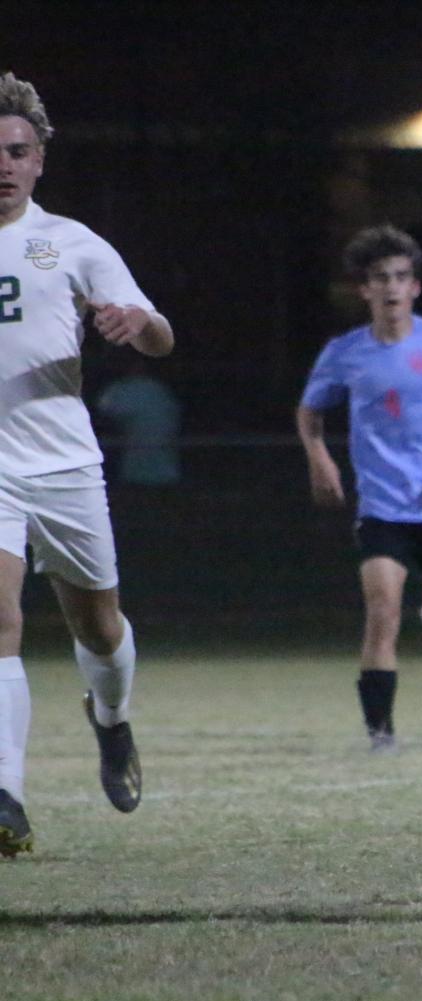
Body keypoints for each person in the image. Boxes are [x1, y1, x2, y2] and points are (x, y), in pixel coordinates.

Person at [1, 73, 172, 856]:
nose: (3, 164)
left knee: (100, 629)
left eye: (17, 150)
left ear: (39, 160)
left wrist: (135, 321)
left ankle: (110, 719)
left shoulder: (72, 241)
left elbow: (159, 335)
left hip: (63, 462)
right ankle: (6, 795)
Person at [296, 225, 422, 752]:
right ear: (364, 289)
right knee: (382, 608)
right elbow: (310, 411)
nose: (391, 287)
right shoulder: (345, 351)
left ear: (415, 288)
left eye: (401, 277)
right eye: (380, 278)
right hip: (382, 507)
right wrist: (319, 458)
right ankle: (380, 731)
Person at [96, 355, 183, 487]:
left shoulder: (157, 390)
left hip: (155, 456)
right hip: (131, 454)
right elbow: (104, 414)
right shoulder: (121, 389)